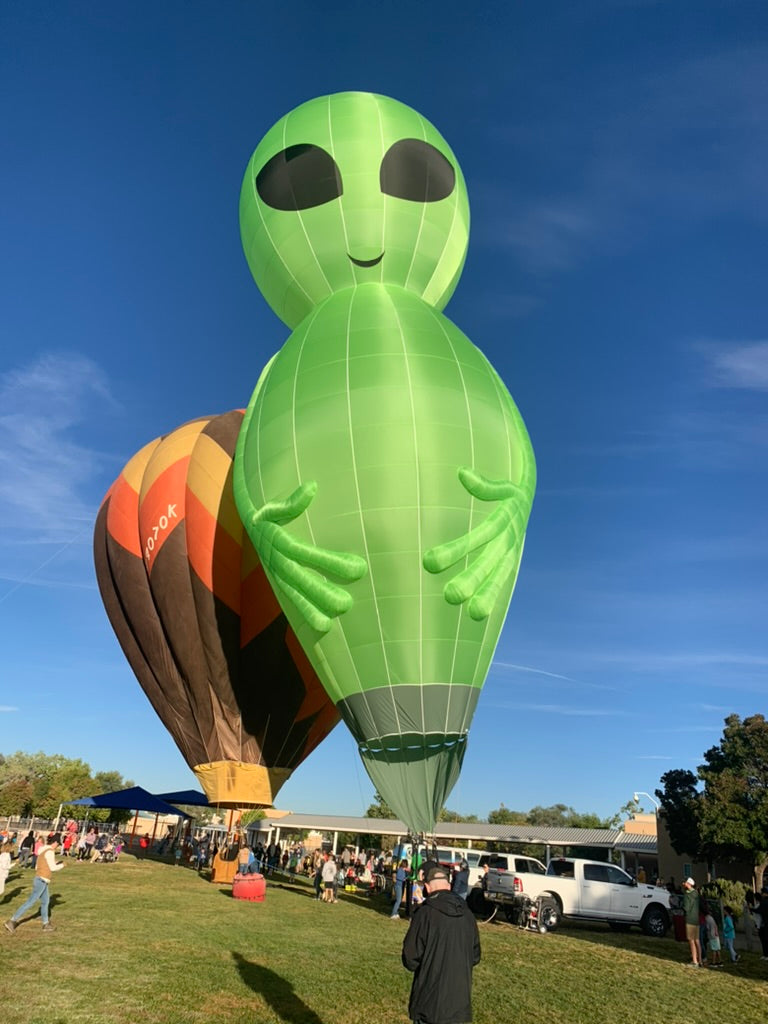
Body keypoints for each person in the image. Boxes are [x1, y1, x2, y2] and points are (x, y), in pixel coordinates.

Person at [402, 864, 481, 1024]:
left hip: (429, 1003)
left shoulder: (425, 914)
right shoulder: (468, 915)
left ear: (427, 888)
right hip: (459, 1003)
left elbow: (410, 958)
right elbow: (475, 956)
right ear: (449, 886)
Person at [4, 833, 64, 934]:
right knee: (30, 902)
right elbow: (53, 868)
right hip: (42, 880)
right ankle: (12, 920)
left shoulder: (43, 850)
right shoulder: (50, 852)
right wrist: (62, 865)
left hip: (40, 879)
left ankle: (45, 924)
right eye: (58, 844)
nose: (57, 846)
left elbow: (40, 865)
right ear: (55, 842)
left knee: (45, 902)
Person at [682, 877, 702, 967]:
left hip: (690, 919)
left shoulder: (687, 895)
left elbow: (686, 907)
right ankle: (700, 960)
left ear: (689, 884)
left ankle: (694, 961)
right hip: (696, 919)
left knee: (691, 940)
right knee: (697, 940)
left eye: (685, 882)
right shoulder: (696, 894)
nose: (683, 884)